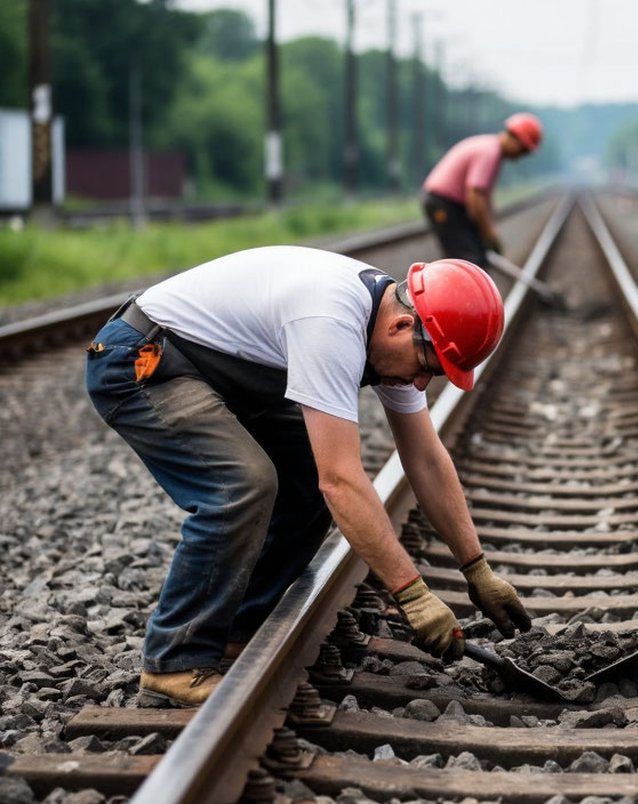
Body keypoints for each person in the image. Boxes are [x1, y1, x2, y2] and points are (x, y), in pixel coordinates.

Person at [85, 246, 532, 708]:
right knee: (242, 484)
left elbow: (426, 457)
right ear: (402, 326)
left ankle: (237, 632)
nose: (421, 384)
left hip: (221, 370)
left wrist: (476, 568)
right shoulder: (332, 323)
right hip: (144, 360)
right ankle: (174, 662)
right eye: (427, 368)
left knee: (302, 484)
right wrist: (413, 595)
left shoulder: (393, 324)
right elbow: (340, 480)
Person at [421, 112, 543, 268]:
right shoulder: (490, 153)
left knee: (471, 256)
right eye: (523, 149)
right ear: (514, 137)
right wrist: (489, 234)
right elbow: (476, 197)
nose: (521, 156)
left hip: (449, 204)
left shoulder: (491, 148)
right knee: (468, 260)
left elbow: (483, 197)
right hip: (442, 203)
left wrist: (486, 232)